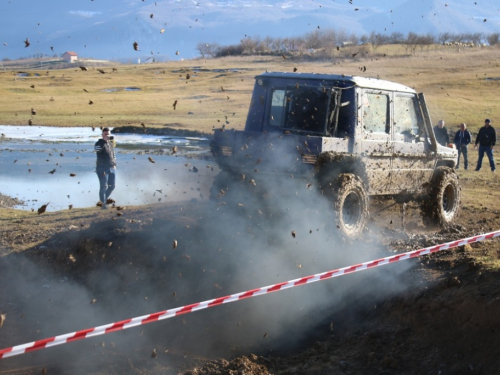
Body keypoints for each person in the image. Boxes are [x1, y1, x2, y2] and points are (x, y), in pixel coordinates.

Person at [94, 127, 116, 208]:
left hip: (111, 167)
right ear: (102, 135)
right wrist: (103, 141)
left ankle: (103, 200)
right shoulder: (99, 143)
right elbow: (97, 149)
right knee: (103, 186)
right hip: (102, 168)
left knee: (112, 186)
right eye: (105, 134)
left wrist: (114, 165)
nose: (107, 136)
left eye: (108, 134)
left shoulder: (110, 144)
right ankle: (103, 204)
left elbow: (113, 154)